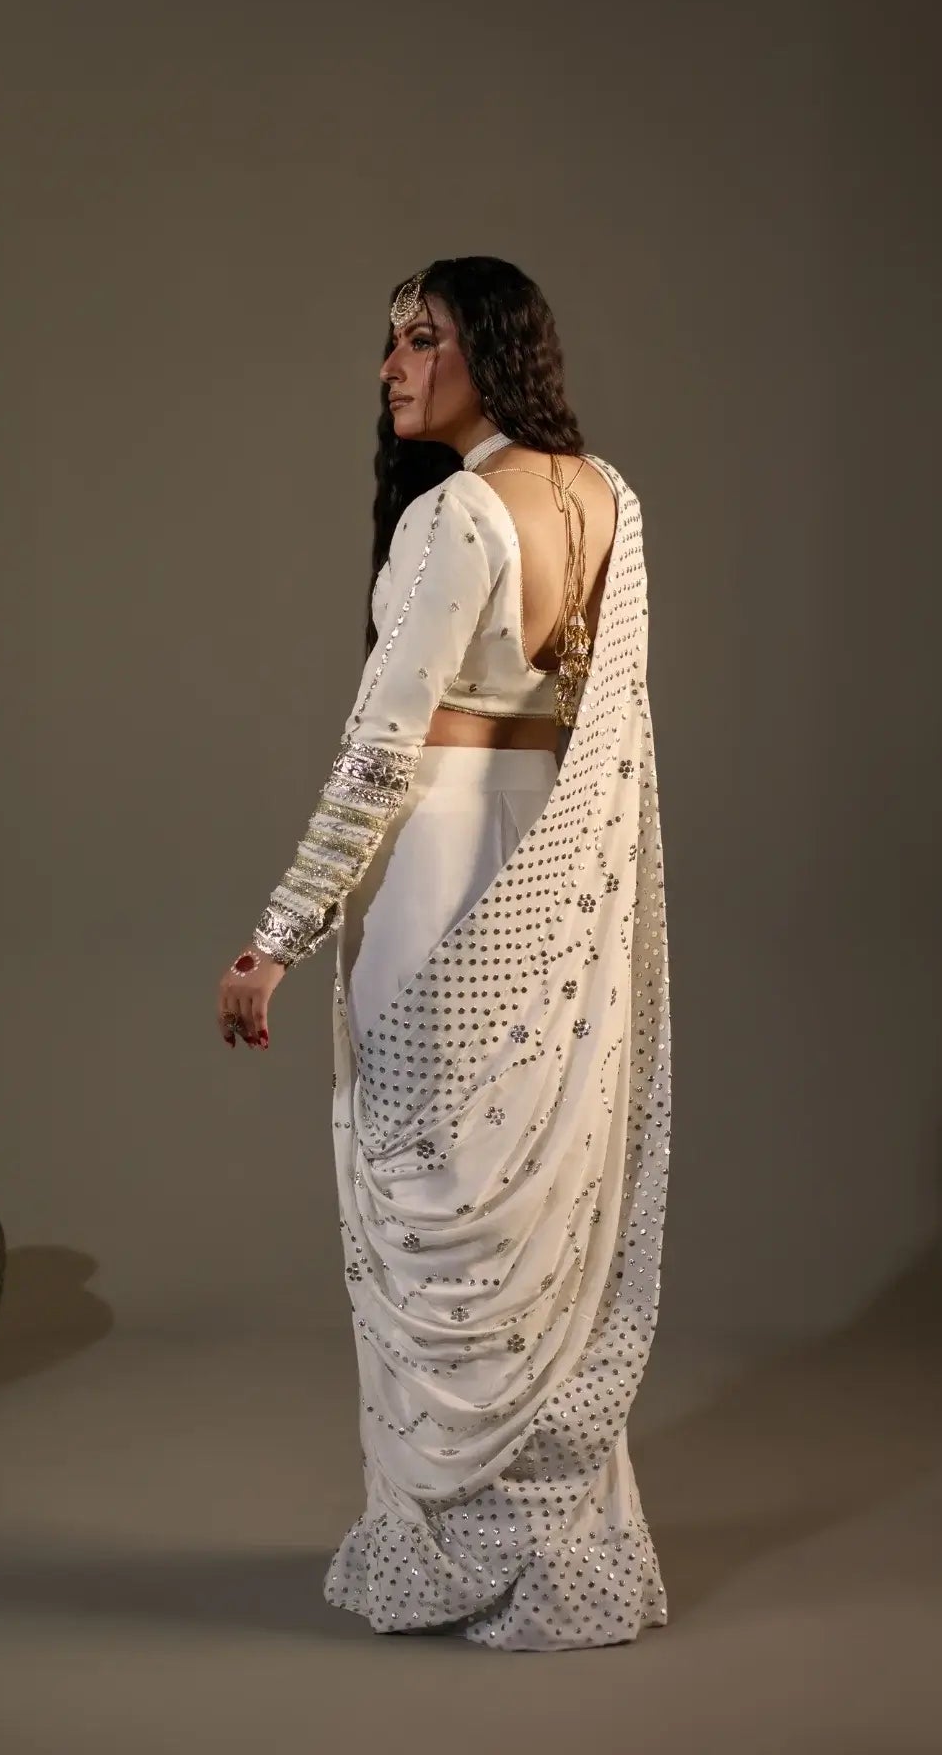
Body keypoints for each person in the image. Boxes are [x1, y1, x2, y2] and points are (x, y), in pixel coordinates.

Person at [216, 255, 672, 1650]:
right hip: (558, 871)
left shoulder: (452, 516)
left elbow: (378, 754)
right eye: (391, 342)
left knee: (433, 1192)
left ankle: (456, 1551)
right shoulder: (609, 498)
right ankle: (545, 1552)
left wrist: (273, 940)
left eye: (425, 339)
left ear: (492, 352)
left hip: (440, 861)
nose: (394, 366)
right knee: (529, 1197)